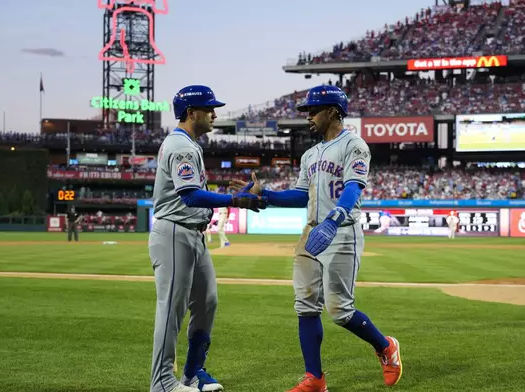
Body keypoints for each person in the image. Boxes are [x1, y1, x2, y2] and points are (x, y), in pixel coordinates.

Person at [230, 85, 402, 392]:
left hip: (341, 230)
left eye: (313, 111)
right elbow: (301, 195)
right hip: (311, 231)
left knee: (340, 312)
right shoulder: (310, 154)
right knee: (305, 306)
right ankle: (315, 379)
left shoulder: (355, 145)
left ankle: (386, 346)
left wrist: (335, 219)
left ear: (333, 111)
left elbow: (353, 188)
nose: (308, 117)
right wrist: (265, 196)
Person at [148, 85, 267, 392]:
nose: (215, 113)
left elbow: (196, 195)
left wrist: (237, 196)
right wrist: (236, 200)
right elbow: (189, 196)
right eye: (209, 108)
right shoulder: (182, 146)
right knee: (171, 308)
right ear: (192, 113)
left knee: (207, 302)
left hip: (193, 234)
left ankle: (190, 374)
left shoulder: (188, 144)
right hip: (175, 231)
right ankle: (162, 383)